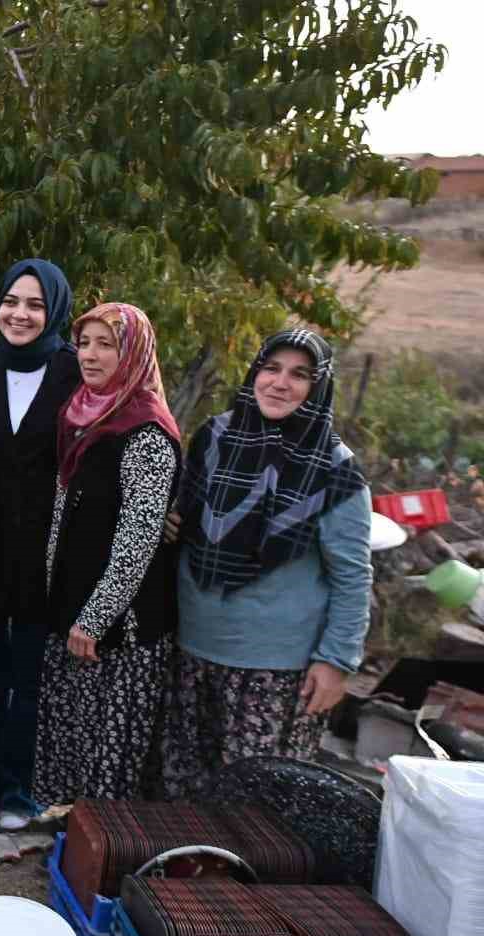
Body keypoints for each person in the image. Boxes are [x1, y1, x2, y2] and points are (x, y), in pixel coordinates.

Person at [162, 329, 371, 795]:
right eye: (270, 368)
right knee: (182, 794)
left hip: (276, 673)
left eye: (299, 375)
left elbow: (354, 576)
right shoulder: (215, 437)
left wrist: (337, 661)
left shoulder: (336, 471)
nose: (280, 383)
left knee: (257, 810)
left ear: (318, 387)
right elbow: (188, 513)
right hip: (194, 651)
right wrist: (169, 522)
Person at [32, 302, 181, 808]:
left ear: (133, 353)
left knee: (107, 749)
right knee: (73, 735)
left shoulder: (146, 431)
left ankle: (103, 851)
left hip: (121, 629)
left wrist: (94, 619)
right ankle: (72, 836)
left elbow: (137, 541)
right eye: (85, 343)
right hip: (74, 606)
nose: (90, 356)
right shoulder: (82, 411)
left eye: (107, 345)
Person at [0, 259, 79, 831]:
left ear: (53, 310)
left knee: (30, 677)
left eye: (34, 304)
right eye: (11, 301)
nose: (20, 314)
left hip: (45, 554)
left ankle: (19, 790)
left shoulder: (76, 373)